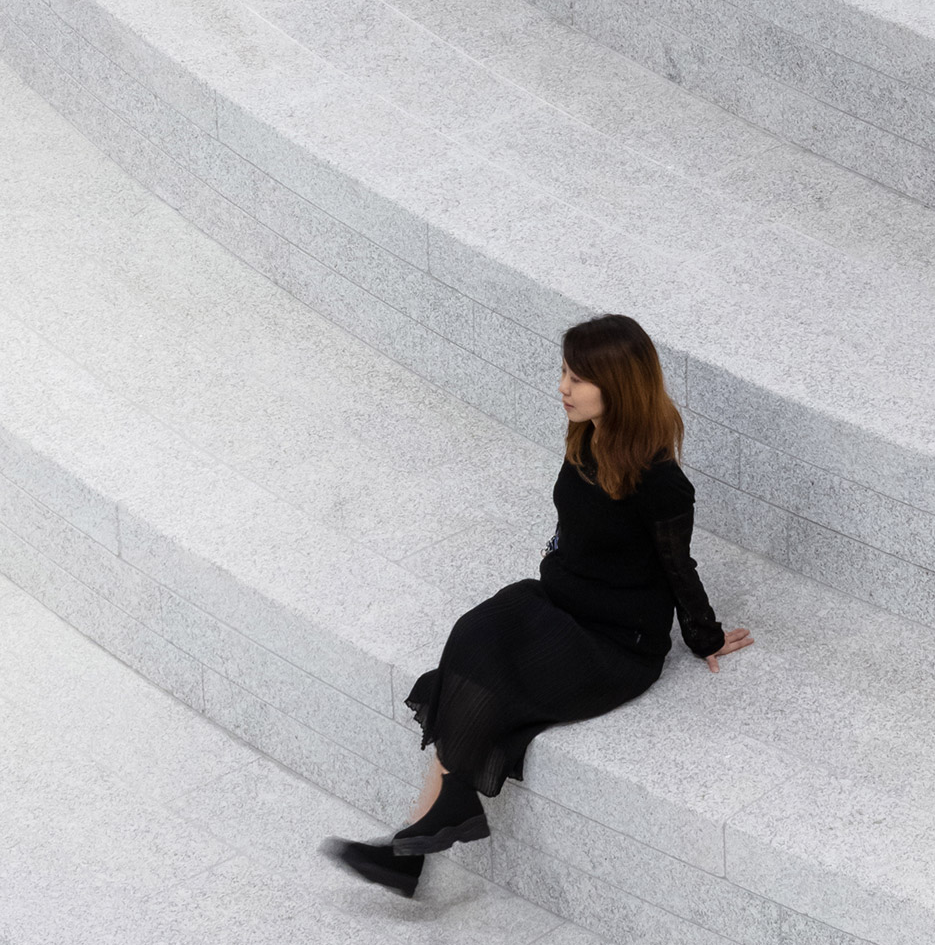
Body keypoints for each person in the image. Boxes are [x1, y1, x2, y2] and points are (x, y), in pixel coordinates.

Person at [321, 314, 754, 898]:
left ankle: (419, 844)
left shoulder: (662, 482)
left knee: (485, 682)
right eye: (564, 372)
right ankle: (429, 831)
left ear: (618, 384)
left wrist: (704, 637)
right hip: (558, 599)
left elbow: (679, 566)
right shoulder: (586, 436)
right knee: (473, 634)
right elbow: (574, 519)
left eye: (577, 378)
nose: (563, 387)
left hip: (615, 641)